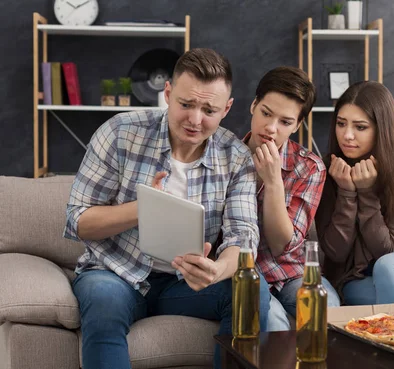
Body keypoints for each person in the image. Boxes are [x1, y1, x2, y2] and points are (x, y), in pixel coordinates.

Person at [63, 48, 270, 369]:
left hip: (183, 283)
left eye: (209, 110)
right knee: (103, 302)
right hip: (114, 274)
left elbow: (243, 239)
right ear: (168, 93)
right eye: (186, 104)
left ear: (227, 108)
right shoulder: (119, 133)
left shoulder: (236, 157)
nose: (195, 119)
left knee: (252, 288)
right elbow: (79, 221)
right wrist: (142, 208)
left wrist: (218, 270)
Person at [316, 80, 394, 306]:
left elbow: (387, 251)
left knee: (388, 267)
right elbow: (335, 253)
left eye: (360, 127)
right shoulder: (327, 171)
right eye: (341, 123)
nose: (347, 135)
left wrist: (366, 192)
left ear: (381, 129)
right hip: (353, 277)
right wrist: (347, 192)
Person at [242, 66, 340, 330]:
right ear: (253, 105)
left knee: (326, 312)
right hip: (243, 273)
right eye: (266, 113)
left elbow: (281, 246)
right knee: (271, 319)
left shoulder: (308, 167)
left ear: (297, 125)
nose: (271, 128)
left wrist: (274, 181)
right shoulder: (226, 156)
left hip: (290, 272)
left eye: (285, 122)